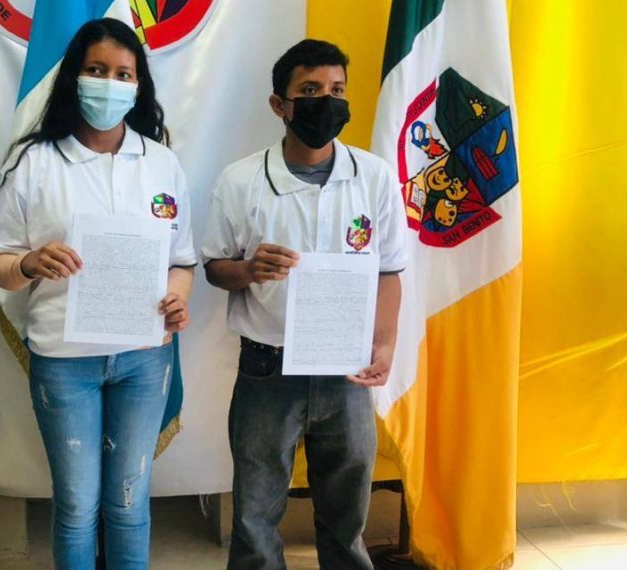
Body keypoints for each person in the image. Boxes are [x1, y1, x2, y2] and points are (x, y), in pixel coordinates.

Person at [0, 17, 195, 570]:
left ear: (139, 85)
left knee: (128, 501)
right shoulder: (33, 163)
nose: (110, 83)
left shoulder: (162, 163)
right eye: (96, 70)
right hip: (63, 361)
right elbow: (0, 267)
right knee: (77, 505)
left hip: (145, 358)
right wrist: (29, 263)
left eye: (123, 74)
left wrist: (178, 297)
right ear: (73, 77)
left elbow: (181, 259)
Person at [199, 39, 408, 570]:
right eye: (310, 90)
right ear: (280, 104)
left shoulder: (374, 177)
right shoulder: (241, 180)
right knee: (255, 514)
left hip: (346, 369)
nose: (326, 102)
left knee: (347, 514)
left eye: (336, 90)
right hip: (267, 368)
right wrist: (249, 269)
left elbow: (388, 272)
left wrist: (384, 345)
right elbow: (215, 267)